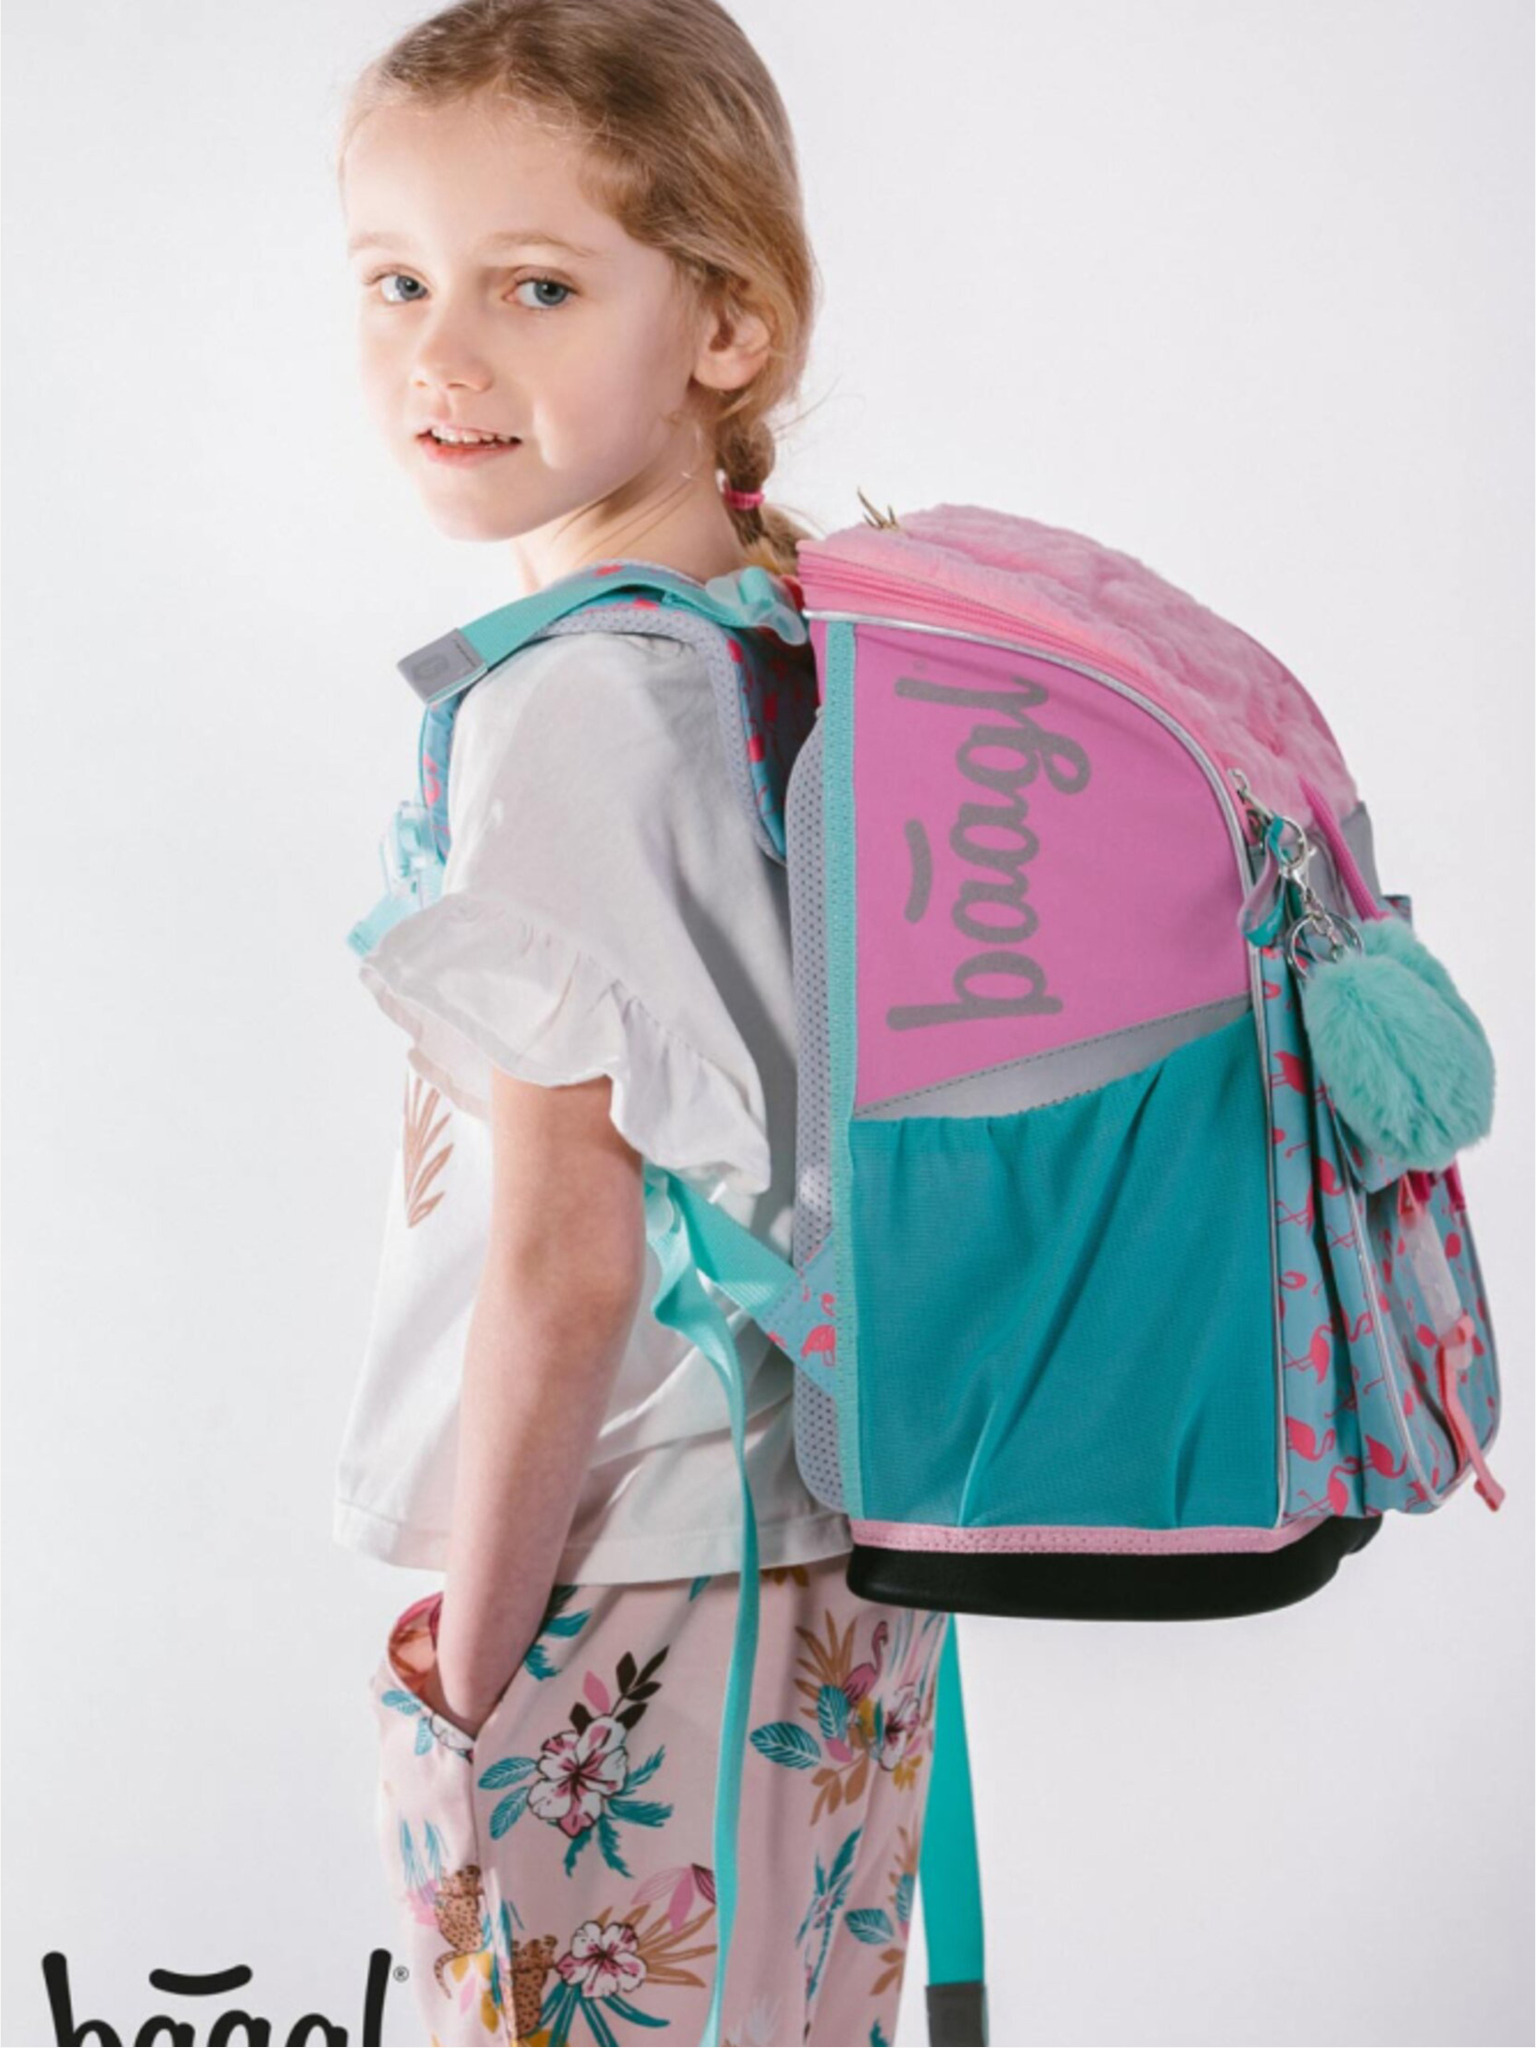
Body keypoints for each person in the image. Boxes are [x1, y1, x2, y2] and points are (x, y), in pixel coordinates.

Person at [331, 3, 950, 2040]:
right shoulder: (782, 631)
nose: (443, 353)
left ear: (726, 327)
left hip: (629, 1563)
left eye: (535, 286)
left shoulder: (568, 710)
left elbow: (567, 1256)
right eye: (397, 281)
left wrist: (475, 1652)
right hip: (827, 1543)